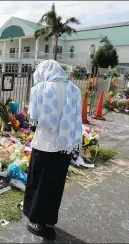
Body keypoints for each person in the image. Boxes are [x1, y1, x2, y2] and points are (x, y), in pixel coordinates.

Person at [25, 60, 82, 240]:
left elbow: (34, 119)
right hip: (63, 147)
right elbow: (76, 119)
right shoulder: (74, 90)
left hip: (43, 144)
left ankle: (36, 220)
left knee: (38, 183)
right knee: (54, 186)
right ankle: (49, 224)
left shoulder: (41, 89)